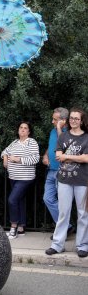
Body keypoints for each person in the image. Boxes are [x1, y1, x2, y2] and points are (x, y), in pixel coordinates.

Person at [46, 107, 88, 258]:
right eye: (71, 118)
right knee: (63, 212)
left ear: (82, 121)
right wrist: (78, 156)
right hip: (64, 179)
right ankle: (57, 245)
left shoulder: (86, 137)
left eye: (77, 118)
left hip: (83, 180)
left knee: (83, 213)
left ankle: (82, 245)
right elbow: (58, 156)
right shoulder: (63, 136)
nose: (73, 121)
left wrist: (68, 156)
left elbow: (86, 158)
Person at [2, 121, 40, 239]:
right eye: (21, 127)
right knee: (20, 201)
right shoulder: (14, 142)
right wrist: (5, 158)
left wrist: (18, 159)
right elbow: (4, 151)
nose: (23, 129)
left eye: (25, 128)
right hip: (13, 177)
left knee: (12, 200)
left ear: (29, 131)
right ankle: (21, 228)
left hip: (25, 178)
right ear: (18, 130)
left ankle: (13, 227)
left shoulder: (31, 142)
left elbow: (35, 158)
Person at [43, 107, 74, 239]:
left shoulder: (70, 132)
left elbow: (64, 145)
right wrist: (45, 155)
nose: (52, 122)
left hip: (63, 171)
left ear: (63, 121)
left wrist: (60, 128)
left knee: (63, 202)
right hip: (51, 171)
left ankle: (62, 230)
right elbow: (51, 146)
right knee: (47, 199)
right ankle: (66, 226)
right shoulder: (52, 131)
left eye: (55, 120)